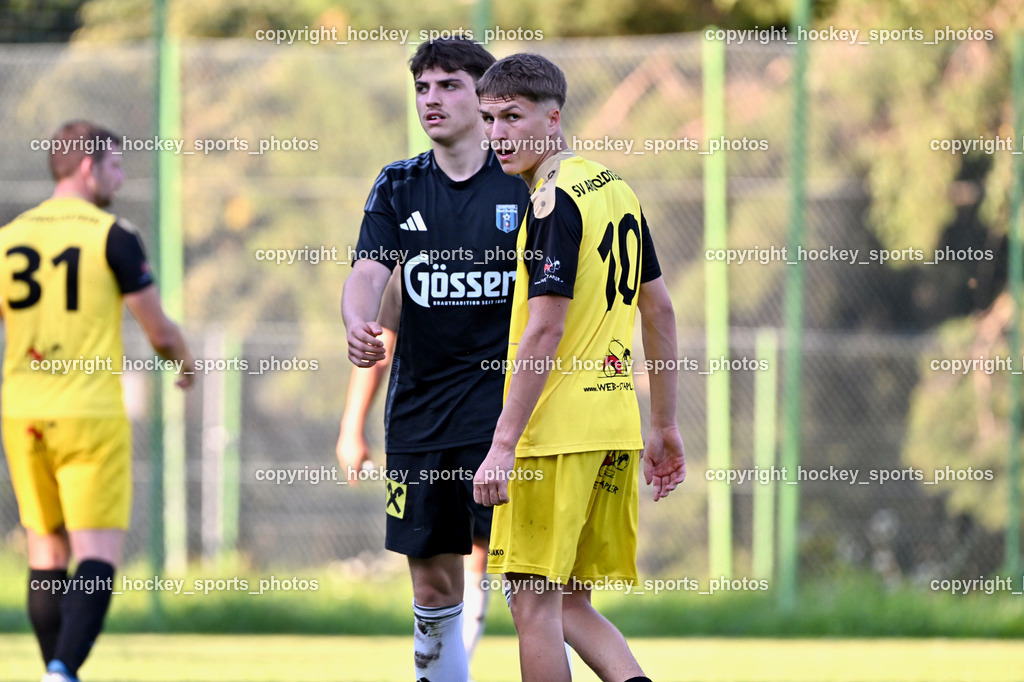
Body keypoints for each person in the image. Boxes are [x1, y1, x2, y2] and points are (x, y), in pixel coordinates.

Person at [473, 54, 687, 682]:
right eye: (489, 119)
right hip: (614, 426)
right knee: (567, 601)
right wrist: (663, 426)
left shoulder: (551, 202)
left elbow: (544, 328)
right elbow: (661, 309)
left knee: (532, 603)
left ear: (554, 117)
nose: (498, 134)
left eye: (512, 117)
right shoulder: (614, 189)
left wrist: (503, 444)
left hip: (557, 435)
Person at [340, 38, 530, 681]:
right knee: (433, 590)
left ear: (483, 98)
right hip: (420, 419)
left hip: (509, 417)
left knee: (532, 587)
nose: (431, 99)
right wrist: (355, 320)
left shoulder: (527, 185)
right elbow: (368, 272)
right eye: (422, 88)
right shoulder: (398, 184)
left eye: (448, 85)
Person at [0, 121, 195, 682]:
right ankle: (61, 670)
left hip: (22, 412)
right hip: (89, 413)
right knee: (97, 553)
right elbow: (158, 331)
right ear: (86, 166)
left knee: (45, 551)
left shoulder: (11, 236)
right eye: (113, 164)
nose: (120, 175)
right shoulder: (113, 234)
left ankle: (57, 673)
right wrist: (184, 363)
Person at [335, 270, 494, 665]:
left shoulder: (512, 238)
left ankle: (462, 662)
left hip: (496, 433)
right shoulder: (410, 264)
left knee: (522, 577)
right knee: (434, 580)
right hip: (423, 438)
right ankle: (453, 670)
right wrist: (352, 428)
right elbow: (380, 345)